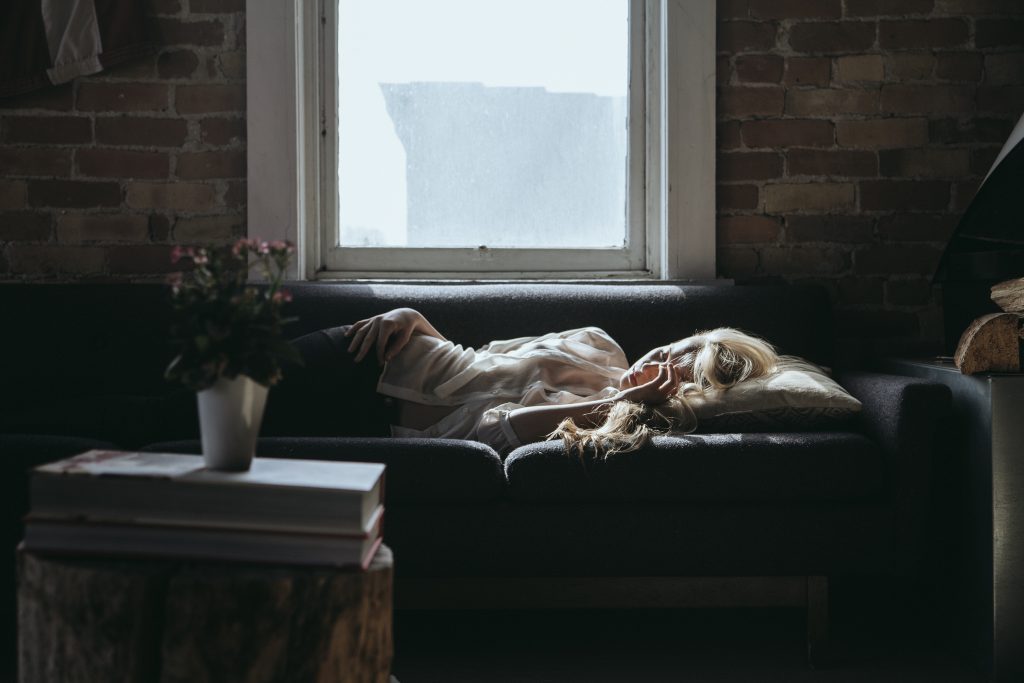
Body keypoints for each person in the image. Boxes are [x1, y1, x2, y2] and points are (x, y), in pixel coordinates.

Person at [338, 307, 779, 457]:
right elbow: (484, 356)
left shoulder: (616, 421)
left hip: (371, 428)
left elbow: (495, 429)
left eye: (667, 374)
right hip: (373, 352)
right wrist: (412, 319)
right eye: (662, 352)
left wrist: (626, 400)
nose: (651, 364)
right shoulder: (598, 343)